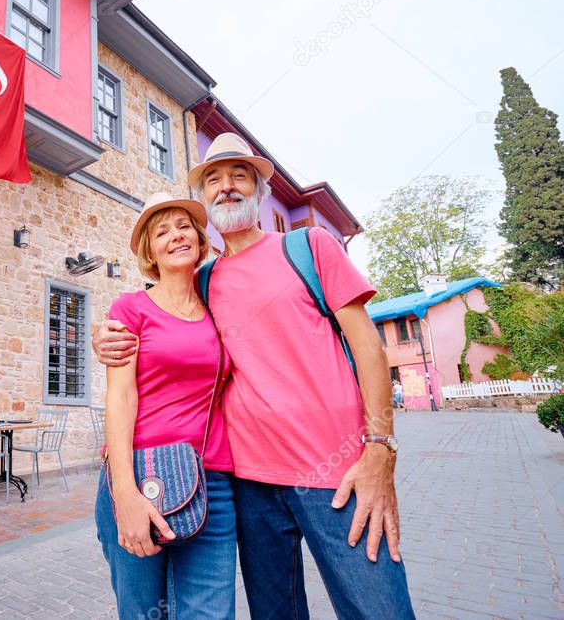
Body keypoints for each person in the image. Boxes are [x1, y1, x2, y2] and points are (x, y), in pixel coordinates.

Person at [95, 133, 414, 619]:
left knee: (378, 610)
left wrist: (380, 448)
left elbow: (369, 346)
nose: (226, 187)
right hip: (250, 483)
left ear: (260, 191)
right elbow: (153, 333)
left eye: (239, 176)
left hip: (337, 472)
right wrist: (107, 338)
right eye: (214, 179)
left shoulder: (309, 246)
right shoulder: (204, 281)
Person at [96, 192, 238, 619]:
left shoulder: (220, 307)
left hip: (211, 479)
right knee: (142, 613)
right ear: (149, 252)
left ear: (199, 238)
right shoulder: (130, 308)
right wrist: (125, 495)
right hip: (139, 477)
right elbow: (120, 398)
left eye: (183, 227)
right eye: (162, 232)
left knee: (211, 613)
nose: (175, 236)